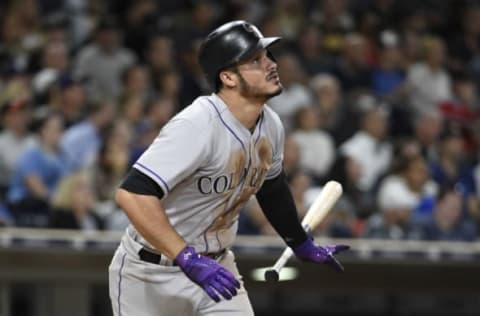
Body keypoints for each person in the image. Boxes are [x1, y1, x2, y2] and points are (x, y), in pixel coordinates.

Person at [108, 20, 349, 316]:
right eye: (255, 60)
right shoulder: (197, 124)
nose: (271, 64)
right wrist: (187, 257)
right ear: (228, 77)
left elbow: (271, 188)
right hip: (149, 271)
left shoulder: (270, 124)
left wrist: (299, 242)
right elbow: (132, 195)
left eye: (268, 56)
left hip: (218, 268)